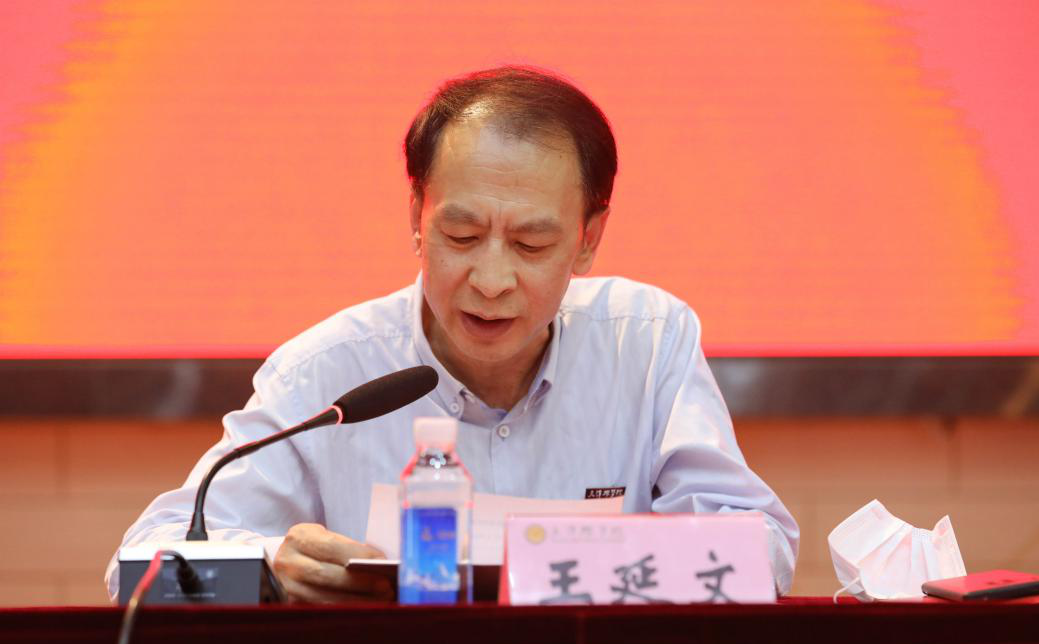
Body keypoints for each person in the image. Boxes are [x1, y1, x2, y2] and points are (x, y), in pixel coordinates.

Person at [106, 66, 799, 602]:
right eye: (461, 236)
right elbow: (139, 568)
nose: (491, 281)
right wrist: (268, 569)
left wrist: (599, 560)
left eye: (531, 244)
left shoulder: (644, 343)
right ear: (416, 216)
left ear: (588, 239)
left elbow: (762, 546)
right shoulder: (326, 373)